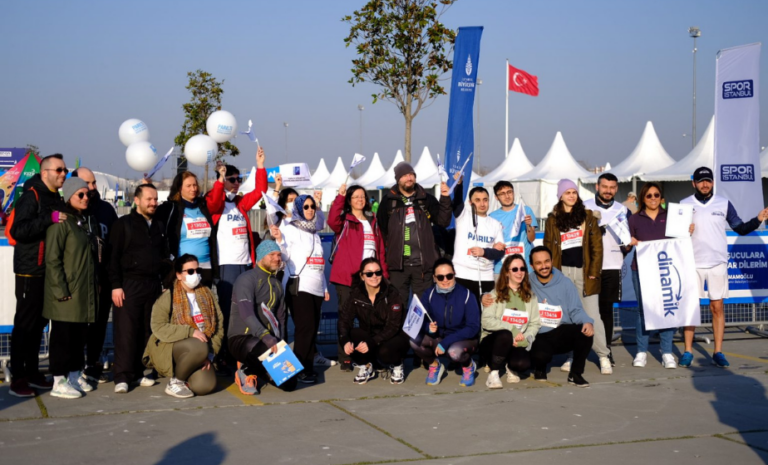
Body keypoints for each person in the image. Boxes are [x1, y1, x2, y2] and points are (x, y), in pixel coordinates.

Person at [679, 167, 768, 368]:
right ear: (694, 183)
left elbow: (740, 228)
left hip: (717, 263)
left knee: (716, 307)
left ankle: (718, 351)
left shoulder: (724, 203)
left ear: (712, 183)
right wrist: (682, 231)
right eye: (701, 181)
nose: (705, 184)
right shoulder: (684, 204)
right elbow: (672, 233)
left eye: (708, 181)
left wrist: (758, 219)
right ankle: (687, 351)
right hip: (691, 263)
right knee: (690, 309)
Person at [8, 153, 67, 398]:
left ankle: (32, 372)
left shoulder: (55, 196)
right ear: (45, 173)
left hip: (48, 271)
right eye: (59, 170)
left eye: (64, 170)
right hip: (30, 270)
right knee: (25, 324)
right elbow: (18, 230)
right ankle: (18, 377)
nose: (63, 174)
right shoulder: (31, 196)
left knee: (39, 325)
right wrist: (48, 218)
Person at [206, 148, 268, 375]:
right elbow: (212, 202)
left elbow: (261, 190)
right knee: (226, 310)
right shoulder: (217, 204)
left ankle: (241, 352)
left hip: (245, 264)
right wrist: (220, 180)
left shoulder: (240, 203)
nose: (236, 183)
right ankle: (222, 355)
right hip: (226, 265)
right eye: (232, 179)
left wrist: (260, 165)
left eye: (238, 179)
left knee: (245, 309)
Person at [543, 179, 609, 375]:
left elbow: (597, 248)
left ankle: (604, 355)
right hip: (562, 273)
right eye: (567, 192)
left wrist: (593, 272)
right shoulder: (553, 219)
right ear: (560, 196)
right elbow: (548, 248)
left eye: (574, 192)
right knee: (569, 318)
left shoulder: (588, 217)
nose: (571, 196)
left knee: (592, 315)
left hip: (584, 272)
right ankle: (572, 355)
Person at [109, 184, 169, 393]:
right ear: (137, 200)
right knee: (126, 331)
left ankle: (140, 372)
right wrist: (116, 286)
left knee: (147, 330)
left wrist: (164, 283)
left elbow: (164, 258)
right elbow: (113, 257)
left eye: (155, 199)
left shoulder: (159, 226)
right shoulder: (122, 225)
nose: (153, 203)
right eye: (149, 199)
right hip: (128, 285)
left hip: (152, 285)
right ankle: (122, 376)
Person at [44, 178, 100, 399]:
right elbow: (53, 259)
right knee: (63, 336)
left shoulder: (83, 222)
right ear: (69, 196)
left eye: (88, 194)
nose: (86, 198)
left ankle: (75, 375)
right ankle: (58, 380)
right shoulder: (61, 223)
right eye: (81, 194)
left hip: (83, 292)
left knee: (79, 336)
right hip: (67, 292)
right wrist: (60, 290)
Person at [143, 254, 224, 398]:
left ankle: (188, 372)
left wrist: (209, 355)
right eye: (190, 271)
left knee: (205, 386)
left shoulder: (207, 294)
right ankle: (176, 382)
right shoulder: (169, 295)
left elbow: (219, 327)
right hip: (172, 347)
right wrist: (190, 331)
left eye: (198, 270)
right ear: (179, 275)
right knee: (198, 345)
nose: (195, 274)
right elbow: (158, 326)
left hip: (202, 350)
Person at [328, 183, 389, 372]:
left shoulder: (373, 221)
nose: (360, 199)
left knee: (372, 318)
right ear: (349, 200)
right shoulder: (344, 220)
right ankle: (345, 356)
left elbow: (380, 251)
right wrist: (339, 197)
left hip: (370, 277)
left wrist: (383, 275)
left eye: (363, 196)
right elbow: (331, 221)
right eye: (355, 196)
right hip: (347, 277)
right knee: (346, 317)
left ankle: (371, 355)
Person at [270, 194, 329, 385]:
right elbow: (284, 256)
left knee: (311, 330)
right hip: (299, 286)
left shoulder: (315, 233)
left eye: (313, 206)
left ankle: (307, 367)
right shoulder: (290, 228)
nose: (310, 209)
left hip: (317, 288)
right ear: (298, 209)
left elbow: (319, 264)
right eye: (306, 207)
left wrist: (325, 287)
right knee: (305, 328)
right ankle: (299, 369)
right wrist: (279, 240)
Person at [377, 162, 452, 305]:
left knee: (424, 307)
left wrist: (445, 198)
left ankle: (424, 328)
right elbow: (382, 231)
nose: (409, 178)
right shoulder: (388, 201)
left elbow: (443, 222)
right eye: (404, 175)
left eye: (411, 174)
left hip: (423, 266)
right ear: (398, 179)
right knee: (397, 307)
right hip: (398, 267)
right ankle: (400, 329)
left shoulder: (426, 199)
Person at [229, 241, 298, 394]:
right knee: (263, 349)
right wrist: (266, 336)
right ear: (261, 257)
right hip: (241, 339)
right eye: (271, 255)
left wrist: (282, 346)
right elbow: (246, 313)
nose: (277, 258)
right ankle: (246, 370)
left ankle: (255, 365)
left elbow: (281, 318)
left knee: (290, 384)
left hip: (268, 342)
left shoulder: (277, 284)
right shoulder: (246, 279)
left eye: (279, 255)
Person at [72, 167, 119, 386]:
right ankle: (73, 368)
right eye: (88, 184)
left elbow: (117, 243)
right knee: (78, 326)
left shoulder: (106, 209)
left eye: (93, 183)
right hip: (80, 280)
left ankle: (92, 364)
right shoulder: (71, 210)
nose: (93, 188)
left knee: (99, 324)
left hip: (104, 278)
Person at [627, 182, 680, 368]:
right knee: (643, 310)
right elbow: (626, 246)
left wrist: (688, 231)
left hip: (666, 269)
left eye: (656, 195)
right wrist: (629, 242)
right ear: (643, 198)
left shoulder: (672, 216)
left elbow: (680, 242)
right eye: (649, 195)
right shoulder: (634, 219)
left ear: (661, 197)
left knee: (666, 308)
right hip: (641, 270)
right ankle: (641, 351)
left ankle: (667, 352)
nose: (653, 199)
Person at [527, 246, 594, 387]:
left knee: (586, 332)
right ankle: (540, 367)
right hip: (538, 334)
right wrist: (486, 296)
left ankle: (575, 374)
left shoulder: (565, 283)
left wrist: (587, 321)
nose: (544, 266)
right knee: (540, 355)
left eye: (547, 261)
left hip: (560, 331)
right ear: (532, 266)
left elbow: (576, 309)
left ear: (552, 261)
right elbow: (503, 291)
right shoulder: (526, 282)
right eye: (538, 263)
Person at [583, 173, 630, 369]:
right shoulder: (584, 206)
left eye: (612, 187)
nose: (608, 191)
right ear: (597, 186)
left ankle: (606, 350)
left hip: (612, 266)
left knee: (606, 311)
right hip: (589, 268)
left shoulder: (623, 210)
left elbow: (629, 238)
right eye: (605, 187)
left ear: (616, 189)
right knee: (584, 311)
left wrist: (626, 248)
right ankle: (581, 351)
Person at [410, 258, 480, 387]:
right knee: (414, 339)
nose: (445, 280)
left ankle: (468, 366)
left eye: (449, 276)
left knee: (454, 352)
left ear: (454, 274)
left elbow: (473, 327)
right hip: (440, 337)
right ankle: (434, 365)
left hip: (463, 339)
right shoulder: (429, 294)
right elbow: (418, 320)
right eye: (440, 277)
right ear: (434, 278)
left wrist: (445, 343)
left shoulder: (467, 295)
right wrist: (428, 328)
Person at [337, 258, 409, 385]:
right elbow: (344, 319)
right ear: (362, 276)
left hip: (394, 336)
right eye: (369, 274)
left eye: (378, 272)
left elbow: (393, 327)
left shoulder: (392, 293)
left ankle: (397, 364)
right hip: (371, 335)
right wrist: (345, 340)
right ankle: (367, 365)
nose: (374, 276)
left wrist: (371, 342)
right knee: (351, 336)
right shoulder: (356, 294)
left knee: (385, 353)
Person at [480, 254, 541, 389]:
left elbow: (535, 323)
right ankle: (494, 373)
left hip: (517, 340)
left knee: (522, 364)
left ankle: (509, 365)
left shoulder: (531, 296)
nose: (519, 273)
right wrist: (512, 330)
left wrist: (525, 338)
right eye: (515, 269)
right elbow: (486, 321)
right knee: (505, 335)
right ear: (507, 272)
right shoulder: (495, 294)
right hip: (494, 341)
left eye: (522, 269)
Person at [155, 171, 217, 287]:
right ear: (179, 188)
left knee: (204, 303)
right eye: (188, 186)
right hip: (184, 268)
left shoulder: (203, 206)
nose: (193, 189)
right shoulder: (171, 208)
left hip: (205, 266)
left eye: (194, 185)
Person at [450, 180, 505, 306]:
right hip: (462, 274)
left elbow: (500, 252)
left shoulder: (495, 224)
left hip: (485, 276)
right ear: (470, 202)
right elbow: (457, 201)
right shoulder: (463, 216)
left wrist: (484, 251)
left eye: (485, 200)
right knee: (462, 313)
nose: (482, 203)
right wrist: (459, 184)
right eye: (478, 200)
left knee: (484, 314)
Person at [489, 181, 537, 278]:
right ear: (496, 197)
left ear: (513, 193)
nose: (507, 196)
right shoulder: (492, 217)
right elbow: (490, 243)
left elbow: (531, 239)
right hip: (501, 268)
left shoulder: (525, 210)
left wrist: (528, 225)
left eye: (509, 192)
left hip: (524, 267)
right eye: (502, 194)